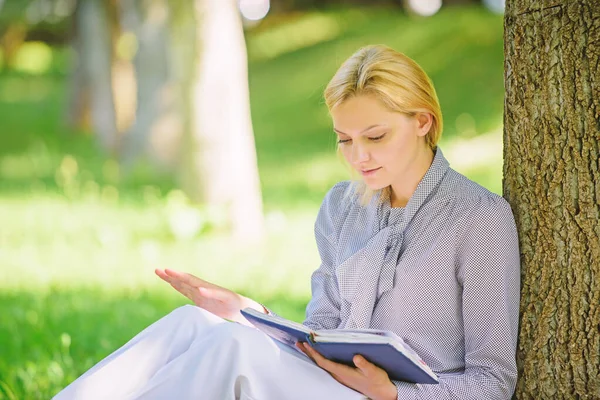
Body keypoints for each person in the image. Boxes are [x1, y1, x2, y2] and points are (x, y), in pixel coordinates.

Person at [53, 44, 520, 400]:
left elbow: (494, 381)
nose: (359, 157)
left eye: (376, 136)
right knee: (192, 323)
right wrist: (251, 314)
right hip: (326, 388)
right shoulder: (343, 206)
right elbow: (320, 336)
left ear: (422, 121)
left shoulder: (479, 219)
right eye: (344, 140)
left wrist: (395, 393)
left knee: (233, 351)